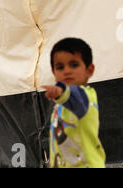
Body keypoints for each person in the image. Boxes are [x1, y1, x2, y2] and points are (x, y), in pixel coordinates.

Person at [42, 37, 106, 168]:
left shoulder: (85, 96)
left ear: (89, 70)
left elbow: (72, 94)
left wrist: (60, 90)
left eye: (74, 65)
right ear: (54, 72)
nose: (67, 71)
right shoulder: (60, 105)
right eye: (60, 67)